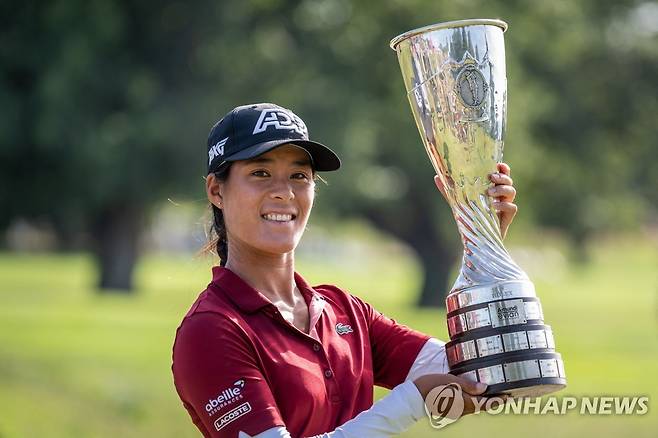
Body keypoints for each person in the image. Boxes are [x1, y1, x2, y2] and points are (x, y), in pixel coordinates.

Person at [171, 103, 518, 437]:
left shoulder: (344, 310)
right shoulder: (211, 329)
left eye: (299, 176)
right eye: (260, 173)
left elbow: (485, 376)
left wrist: (482, 242)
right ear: (217, 190)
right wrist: (411, 401)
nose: (284, 192)